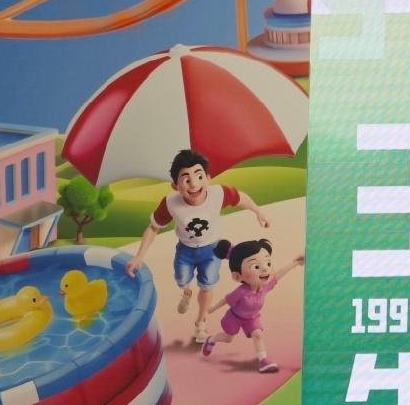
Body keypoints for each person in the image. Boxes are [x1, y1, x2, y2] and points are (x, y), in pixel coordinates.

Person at [126, 149, 270, 340]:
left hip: (212, 250)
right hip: (185, 250)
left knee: (207, 285)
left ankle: (200, 323)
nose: (194, 184)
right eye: (186, 179)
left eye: (199, 176)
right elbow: (153, 228)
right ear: (175, 186)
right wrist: (139, 256)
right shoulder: (170, 203)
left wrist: (258, 211)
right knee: (181, 279)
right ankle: (186, 292)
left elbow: (240, 198)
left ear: (208, 178)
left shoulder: (219, 194)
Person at [200, 239, 303, 374]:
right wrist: (210, 309)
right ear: (237, 276)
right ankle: (211, 340)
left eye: (268, 263)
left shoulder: (264, 287)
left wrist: (295, 262)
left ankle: (263, 361)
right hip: (234, 318)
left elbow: (279, 274)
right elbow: (226, 300)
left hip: (252, 318)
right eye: (255, 267)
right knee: (228, 338)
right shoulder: (240, 292)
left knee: (258, 335)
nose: (265, 269)